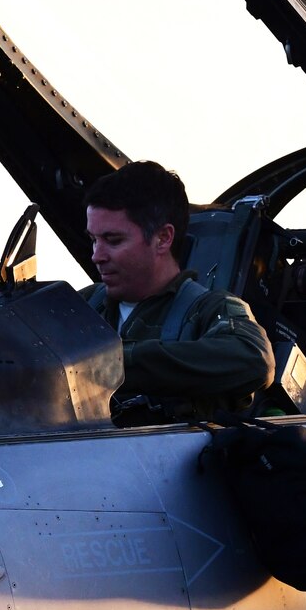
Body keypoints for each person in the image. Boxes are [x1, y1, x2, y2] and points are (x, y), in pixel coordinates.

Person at [84, 161, 275, 423]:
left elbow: (254, 359)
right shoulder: (79, 305)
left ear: (163, 238)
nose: (97, 256)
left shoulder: (209, 309)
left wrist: (106, 364)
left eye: (114, 240)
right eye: (94, 240)